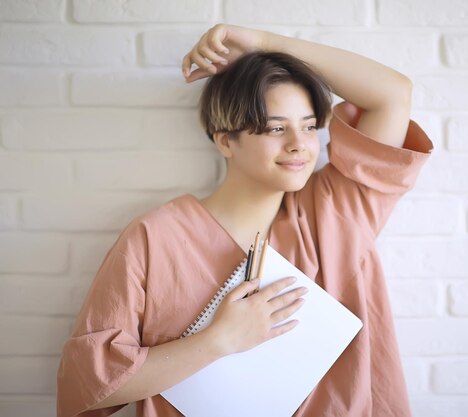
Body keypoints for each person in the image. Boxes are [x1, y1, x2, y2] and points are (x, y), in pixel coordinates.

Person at [57, 23, 433, 417]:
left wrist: (264, 44)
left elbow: (392, 95)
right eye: (275, 128)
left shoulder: (336, 212)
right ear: (225, 140)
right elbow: (90, 388)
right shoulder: (155, 238)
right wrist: (218, 341)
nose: (299, 145)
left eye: (308, 126)